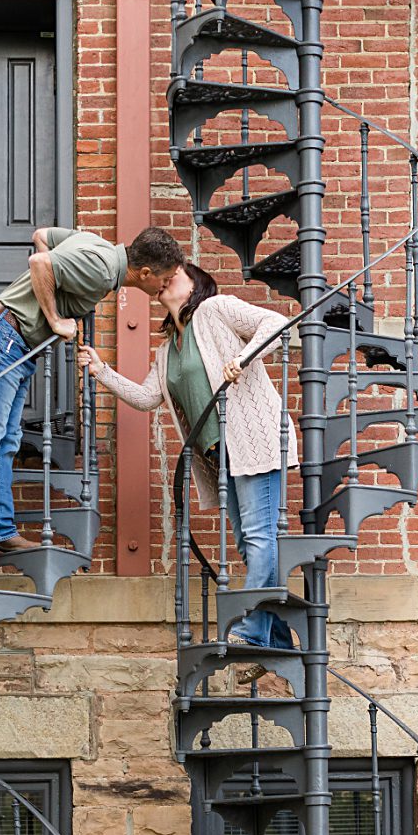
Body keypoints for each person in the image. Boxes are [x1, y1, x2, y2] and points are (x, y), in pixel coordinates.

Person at [0, 225, 184, 571]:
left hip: (11, 343)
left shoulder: (97, 247)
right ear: (145, 272)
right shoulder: (102, 267)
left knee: (4, 441)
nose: (164, 287)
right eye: (164, 280)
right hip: (3, 337)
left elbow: (42, 234)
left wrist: (48, 301)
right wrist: (55, 318)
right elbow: (41, 261)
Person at [79, 260, 299, 652]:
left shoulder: (215, 310)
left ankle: (251, 633)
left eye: (175, 275)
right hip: (221, 457)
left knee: (261, 539)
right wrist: (101, 371)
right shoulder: (167, 351)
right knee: (250, 546)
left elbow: (274, 324)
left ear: (195, 285)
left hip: (254, 441)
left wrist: (243, 358)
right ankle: (278, 640)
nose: (165, 281)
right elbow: (147, 398)